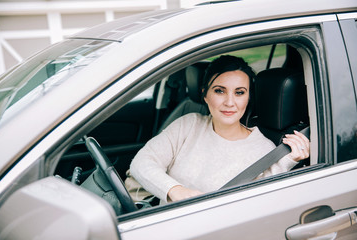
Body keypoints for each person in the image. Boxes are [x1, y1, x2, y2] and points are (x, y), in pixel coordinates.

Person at [130, 55, 310, 203]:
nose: (230, 102)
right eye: (219, 91)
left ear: (248, 99)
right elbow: (141, 163)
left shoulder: (265, 150)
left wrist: (288, 160)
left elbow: (257, 206)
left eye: (239, 92)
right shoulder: (188, 125)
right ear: (205, 95)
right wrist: (175, 190)